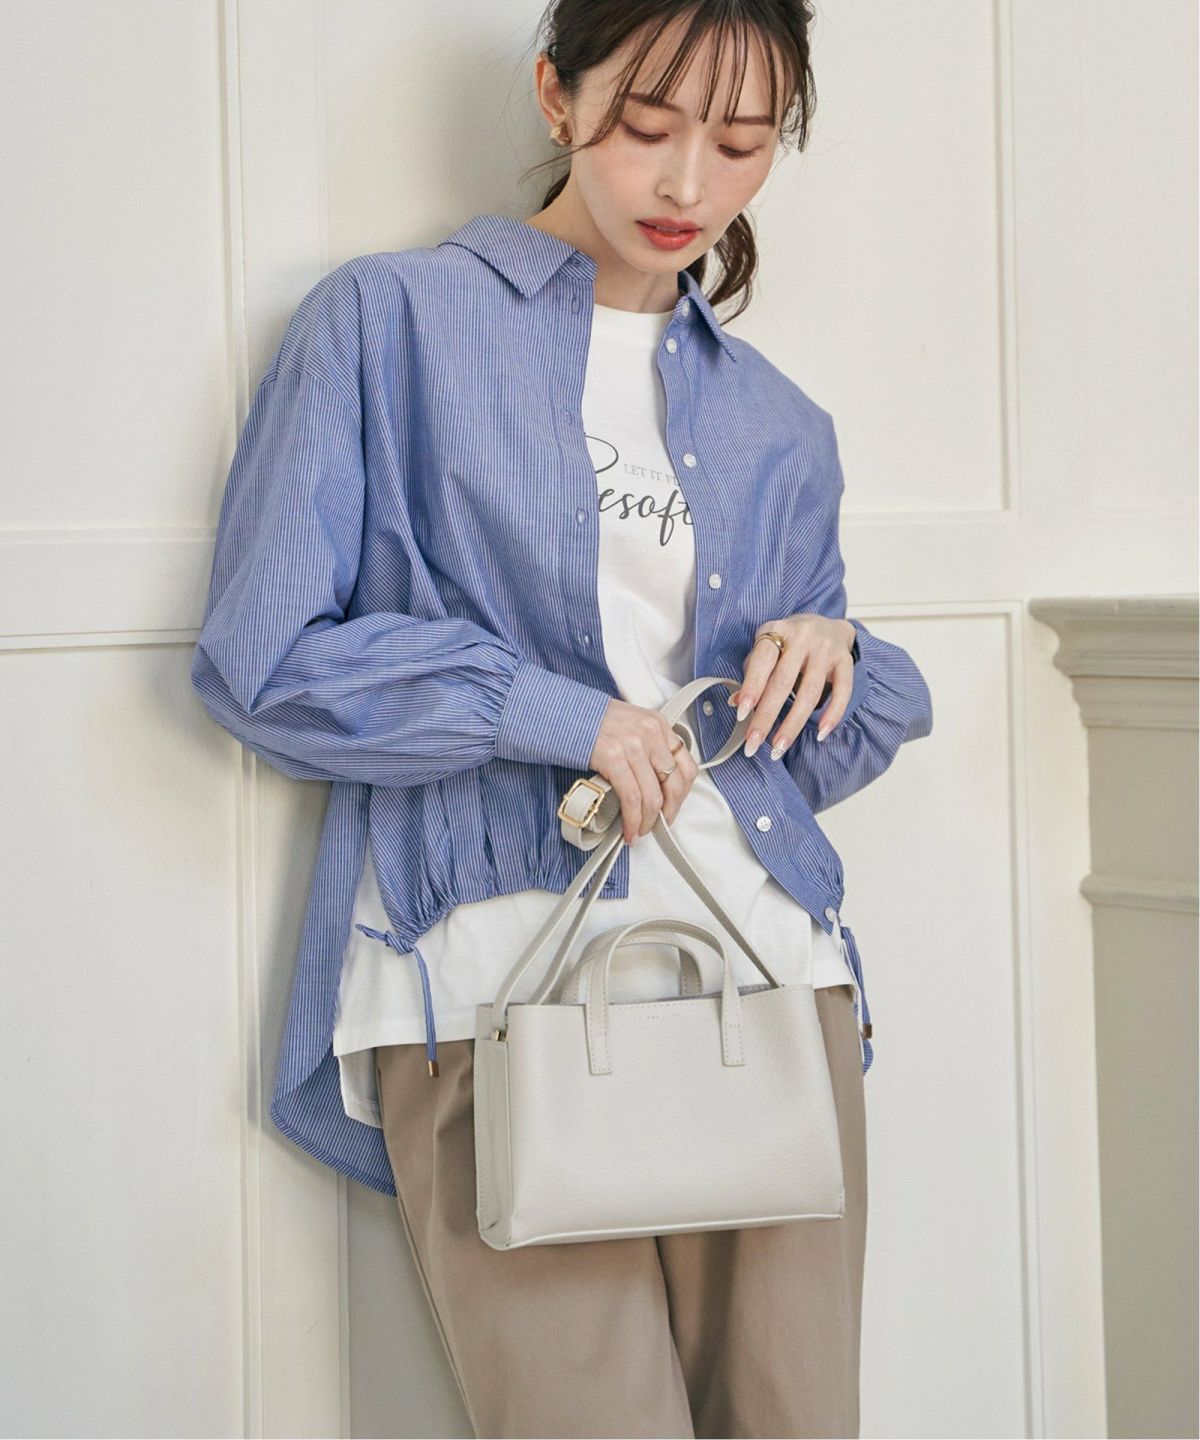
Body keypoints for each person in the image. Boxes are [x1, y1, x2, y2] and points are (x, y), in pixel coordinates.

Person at [191, 2, 934, 1434]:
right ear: (556, 93)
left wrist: (833, 651)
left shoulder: (781, 423)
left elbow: (807, 755)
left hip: (773, 982)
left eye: (741, 144)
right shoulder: (392, 324)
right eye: (649, 127)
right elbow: (262, 658)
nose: (688, 185)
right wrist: (551, 714)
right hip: (497, 984)